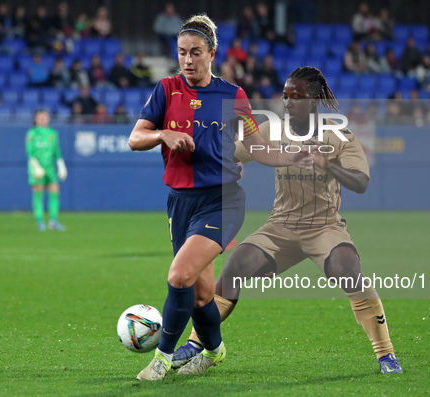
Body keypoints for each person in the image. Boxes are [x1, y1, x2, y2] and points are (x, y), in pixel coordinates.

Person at [172, 66, 404, 375]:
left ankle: (385, 354)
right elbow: (234, 153)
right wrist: (226, 165)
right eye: (285, 96)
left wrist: (328, 163)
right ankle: (197, 342)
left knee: (349, 272)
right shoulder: (271, 130)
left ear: (315, 99)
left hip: (324, 228)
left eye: (296, 96)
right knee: (235, 268)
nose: (288, 102)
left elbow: (360, 182)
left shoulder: (338, 136)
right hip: (280, 227)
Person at [128, 14, 312, 381]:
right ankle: (214, 349)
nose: (188, 60)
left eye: (196, 53)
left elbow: (258, 147)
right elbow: (135, 138)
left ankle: (161, 359)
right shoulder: (166, 90)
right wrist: (163, 134)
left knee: (180, 275)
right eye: (182, 53)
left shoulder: (233, 95)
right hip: (180, 203)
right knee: (200, 295)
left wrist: (293, 156)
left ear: (212, 53)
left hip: (222, 200)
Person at [25, 110, 67, 231]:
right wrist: (35, 166)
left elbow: (56, 151)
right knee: (38, 194)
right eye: (41, 117)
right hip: (37, 167)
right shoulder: (32, 133)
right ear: (36, 119)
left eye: (45, 117)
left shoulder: (52, 133)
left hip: (50, 168)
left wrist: (61, 164)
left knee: (54, 192)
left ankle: (53, 221)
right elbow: (29, 152)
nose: (43, 119)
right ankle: (40, 221)